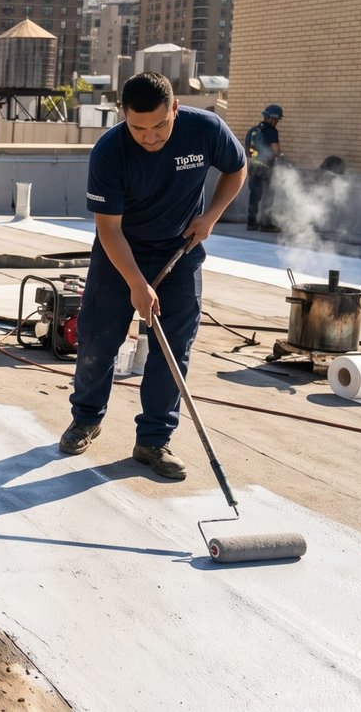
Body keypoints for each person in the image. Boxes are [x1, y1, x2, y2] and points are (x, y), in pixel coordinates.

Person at [60, 72, 247, 480]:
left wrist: (210, 217)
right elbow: (109, 229)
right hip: (119, 254)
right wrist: (136, 283)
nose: (149, 137)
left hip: (179, 252)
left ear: (175, 108)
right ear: (123, 116)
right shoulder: (109, 151)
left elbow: (236, 168)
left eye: (160, 126)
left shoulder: (206, 129)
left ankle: (153, 441)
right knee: (98, 340)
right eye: (138, 128)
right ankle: (86, 419)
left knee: (172, 349)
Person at [244, 104, 285, 232]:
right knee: (268, 195)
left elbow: (247, 150)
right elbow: (276, 150)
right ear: (273, 119)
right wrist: (282, 158)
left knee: (254, 195)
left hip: (253, 166)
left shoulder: (253, 131)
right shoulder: (271, 130)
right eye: (277, 120)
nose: (277, 122)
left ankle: (251, 223)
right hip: (266, 169)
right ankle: (266, 224)